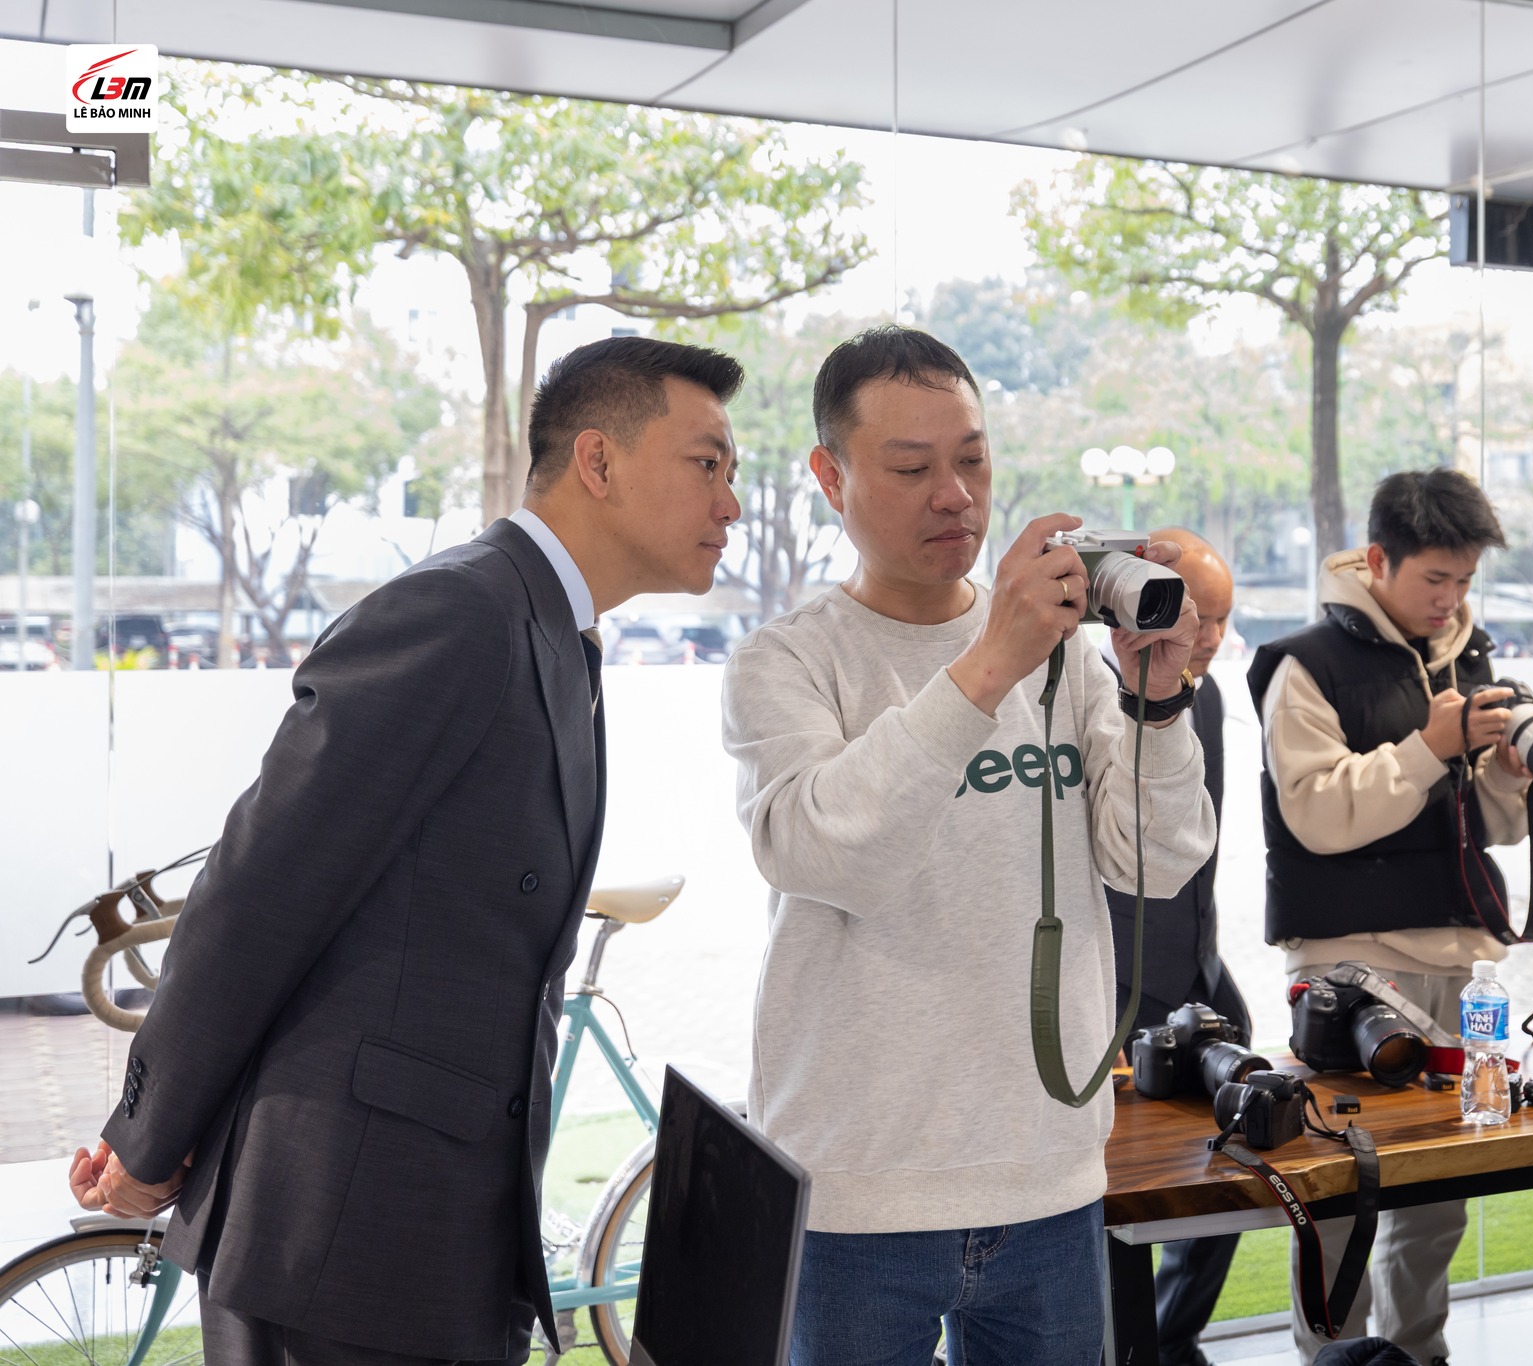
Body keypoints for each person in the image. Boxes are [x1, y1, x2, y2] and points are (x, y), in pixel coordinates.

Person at [68, 337, 745, 1366]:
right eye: (708, 464)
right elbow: (261, 888)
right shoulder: (461, 612)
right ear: (599, 462)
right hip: (340, 1239)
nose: (731, 504)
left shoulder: (558, 633)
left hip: (431, 1230)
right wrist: (149, 1134)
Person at [722, 326, 1216, 1366]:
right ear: (830, 474)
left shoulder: (1067, 660)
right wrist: (989, 663)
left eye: (972, 459)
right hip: (858, 1185)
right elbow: (829, 852)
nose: (954, 494)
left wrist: (1156, 699)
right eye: (911, 467)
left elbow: (1157, 862)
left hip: (1046, 1172)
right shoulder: (786, 663)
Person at [1246, 469, 1532, 1366]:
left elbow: (1486, 826)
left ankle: (1420, 1355)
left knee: (1441, 1195)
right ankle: (1335, 1361)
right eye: (1434, 581)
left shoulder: (1466, 657)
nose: (1451, 604)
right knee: (1339, 1191)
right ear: (1377, 560)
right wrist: (1430, 745)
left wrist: (1509, 779)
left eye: (1465, 583)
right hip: (1352, 966)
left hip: (1460, 958)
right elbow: (1318, 815)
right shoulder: (1305, 664)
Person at [1103, 527, 1246, 1366]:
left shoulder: (1211, 696)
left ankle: (1170, 1337)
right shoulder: (1109, 692)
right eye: (1202, 615)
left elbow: (1199, 853)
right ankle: (1133, 1346)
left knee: (1239, 1159)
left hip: (1196, 972)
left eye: (1226, 621)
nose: (1212, 637)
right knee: (1125, 1192)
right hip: (1117, 983)